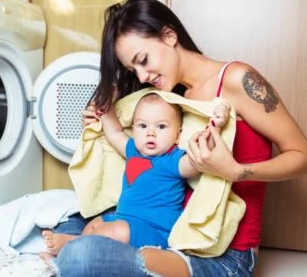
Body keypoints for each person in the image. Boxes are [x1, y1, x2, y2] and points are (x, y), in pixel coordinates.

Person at [51, 0, 307, 276]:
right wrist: (96, 125)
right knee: (68, 220)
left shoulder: (237, 79)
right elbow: (135, 159)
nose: (142, 76)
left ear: (169, 35)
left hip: (222, 254)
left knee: (81, 256)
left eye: (143, 60)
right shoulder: (170, 98)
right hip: (168, 232)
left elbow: (306, 158)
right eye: (133, 70)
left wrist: (236, 171)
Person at [42, 93, 229, 256]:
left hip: (154, 231)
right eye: (142, 126)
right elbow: (114, 132)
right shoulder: (133, 150)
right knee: (94, 224)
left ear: (178, 135)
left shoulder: (173, 160)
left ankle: (70, 243)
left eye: (161, 127)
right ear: (134, 128)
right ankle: (72, 252)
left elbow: (199, 159)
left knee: (117, 231)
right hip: (122, 218)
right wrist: (106, 111)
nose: (150, 133)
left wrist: (216, 127)